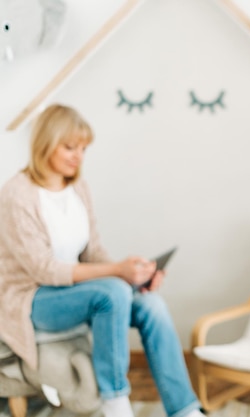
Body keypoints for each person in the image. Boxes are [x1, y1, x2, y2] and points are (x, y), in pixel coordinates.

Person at [0, 104, 205, 417]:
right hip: (32, 300)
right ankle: (115, 402)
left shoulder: (77, 188)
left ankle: (185, 410)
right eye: (69, 147)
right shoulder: (17, 194)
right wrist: (117, 274)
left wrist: (133, 275)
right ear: (45, 142)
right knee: (112, 293)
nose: (77, 155)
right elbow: (45, 269)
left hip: (79, 295)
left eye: (83, 148)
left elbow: (93, 251)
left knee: (152, 305)